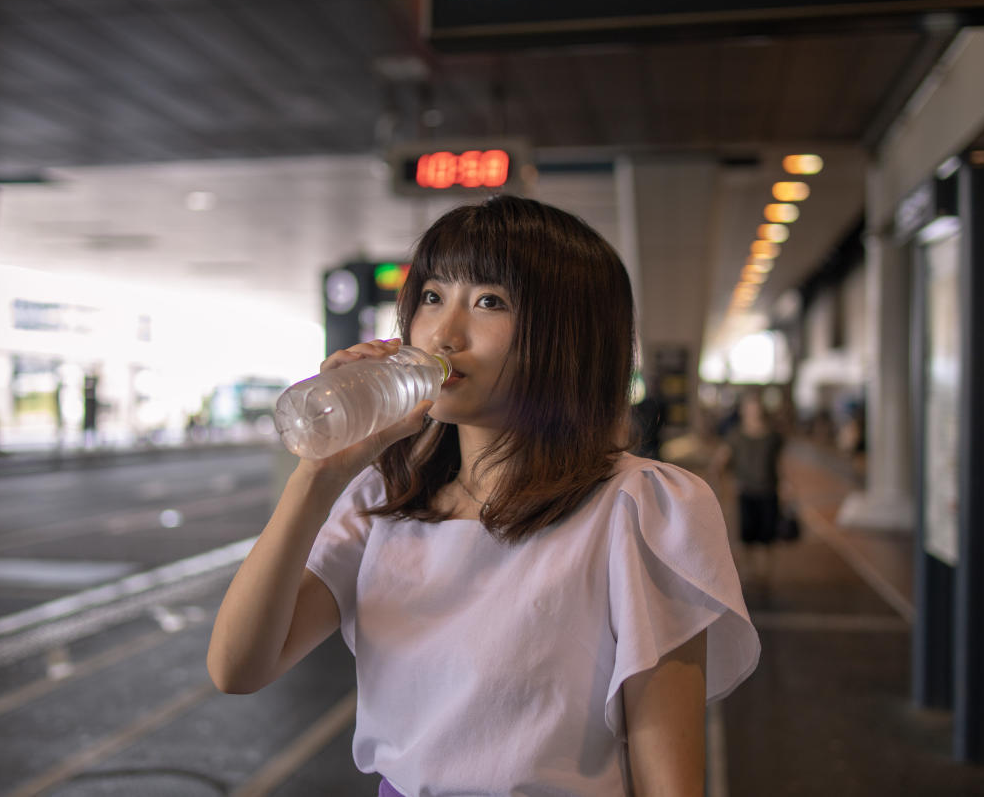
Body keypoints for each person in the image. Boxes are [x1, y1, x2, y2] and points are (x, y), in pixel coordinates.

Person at [207, 196, 759, 796]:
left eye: (490, 302)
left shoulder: (639, 507)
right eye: (432, 296)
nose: (444, 333)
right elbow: (238, 667)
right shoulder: (384, 499)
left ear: (567, 335)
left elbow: (669, 782)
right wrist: (319, 475)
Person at [713, 392, 787, 588]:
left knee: (767, 537)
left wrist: (787, 488)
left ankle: (765, 576)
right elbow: (721, 461)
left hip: (769, 491)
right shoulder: (736, 436)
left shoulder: (773, 437)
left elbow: (779, 464)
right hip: (745, 492)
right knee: (746, 536)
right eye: (750, 408)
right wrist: (724, 487)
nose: (754, 412)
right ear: (744, 411)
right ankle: (750, 573)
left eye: (756, 408)